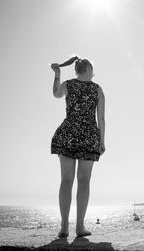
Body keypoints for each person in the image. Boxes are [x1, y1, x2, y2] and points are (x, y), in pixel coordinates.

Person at [50, 55, 106, 238]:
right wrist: (102, 141)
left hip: (67, 133)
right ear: (88, 70)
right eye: (93, 70)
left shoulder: (68, 85)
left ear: (76, 70)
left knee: (66, 180)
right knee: (84, 181)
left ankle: (64, 227)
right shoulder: (97, 90)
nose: (93, 73)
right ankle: (79, 226)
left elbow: (56, 93)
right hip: (88, 136)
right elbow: (101, 119)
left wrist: (57, 74)